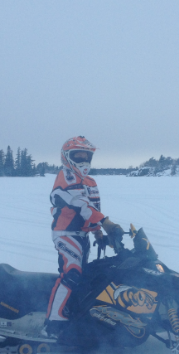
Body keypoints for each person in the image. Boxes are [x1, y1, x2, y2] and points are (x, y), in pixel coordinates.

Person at [43, 136, 123, 338]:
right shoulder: (66, 176)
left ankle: (75, 314)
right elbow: (81, 204)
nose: (83, 160)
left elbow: (92, 209)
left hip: (83, 235)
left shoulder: (90, 182)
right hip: (66, 233)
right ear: (67, 157)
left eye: (86, 156)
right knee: (72, 273)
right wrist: (106, 223)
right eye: (78, 156)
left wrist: (98, 232)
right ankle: (53, 323)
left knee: (86, 277)